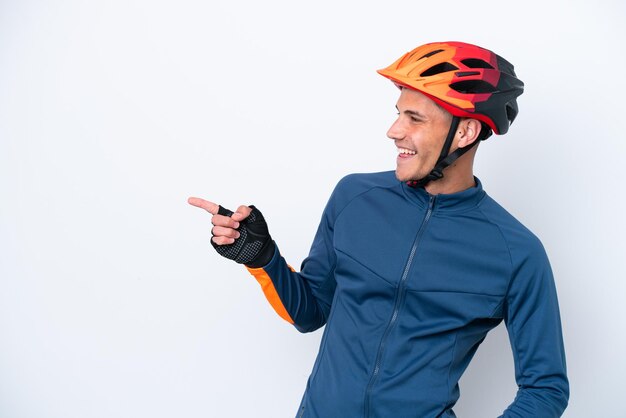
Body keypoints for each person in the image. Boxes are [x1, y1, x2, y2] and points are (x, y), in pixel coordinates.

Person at [188, 41, 569, 417]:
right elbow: (310, 313)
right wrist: (263, 257)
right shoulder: (354, 197)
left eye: (415, 119)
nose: (394, 130)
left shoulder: (516, 251)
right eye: (399, 113)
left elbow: (546, 388)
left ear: (465, 132)